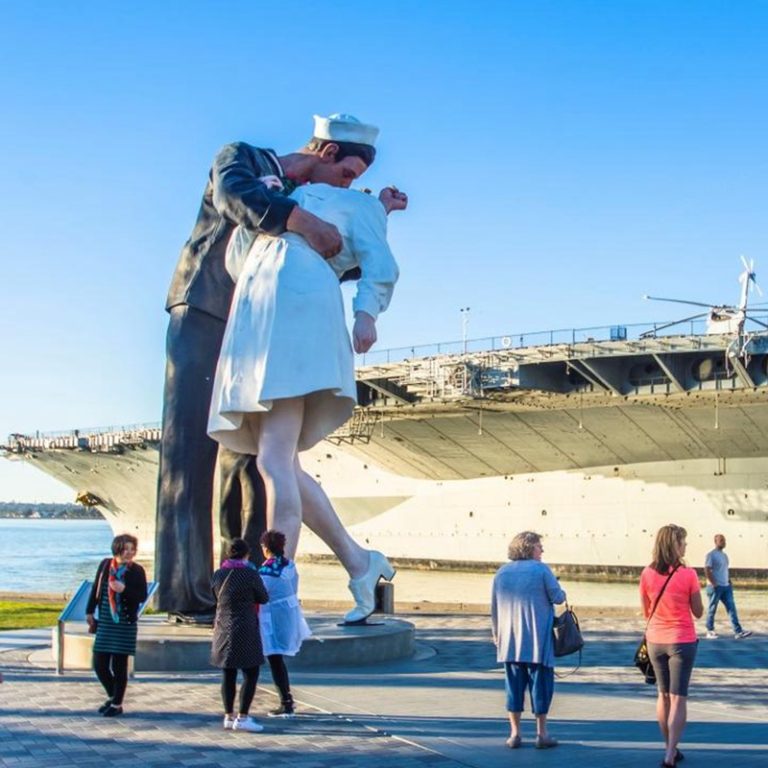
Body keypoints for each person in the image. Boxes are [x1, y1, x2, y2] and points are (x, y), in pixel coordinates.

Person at [156, 112, 397, 618]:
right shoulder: (244, 157)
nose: (350, 186)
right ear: (328, 154)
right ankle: (185, 589)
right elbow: (236, 198)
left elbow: (339, 254)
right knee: (192, 454)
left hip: (266, 324)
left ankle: (243, 584)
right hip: (207, 308)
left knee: (258, 464)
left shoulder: (317, 202)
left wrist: (372, 216)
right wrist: (304, 218)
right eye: (349, 175)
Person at [491, 531, 566, 750]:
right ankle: (541, 734)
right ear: (529, 548)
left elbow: (494, 608)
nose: (542, 550)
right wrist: (562, 591)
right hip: (537, 641)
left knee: (513, 687)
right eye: (539, 547)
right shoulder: (541, 570)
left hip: (510, 641)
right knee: (540, 687)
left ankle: (514, 734)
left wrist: (497, 636)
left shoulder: (501, 572)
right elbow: (557, 597)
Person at [639, 524, 703, 768]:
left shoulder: (647, 573)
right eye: (683, 542)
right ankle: (669, 754)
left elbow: (646, 611)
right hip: (682, 640)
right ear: (674, 545)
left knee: (663, 696)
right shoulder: (689, 574)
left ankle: (669, 748)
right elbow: (698, 613)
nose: (686, 546)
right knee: (678, 698)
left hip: (655, 640)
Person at [85, 534, 148, 717]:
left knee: (119, 666)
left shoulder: (137, 571)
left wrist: (124, 590)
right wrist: (90, 611)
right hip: (106, 620)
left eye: (132, 549)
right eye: (126, 549)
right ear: (117, 549)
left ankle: (117, 703)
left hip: (125, 623)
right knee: (99, 664)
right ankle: (114, 696)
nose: (129, 553)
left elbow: (141, 596)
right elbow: (96, 589)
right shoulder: (106, 565)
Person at [211, 537, 269, 733]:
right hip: (245, 626)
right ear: (246, 554)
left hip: (223, 627)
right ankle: (243, 717)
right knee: (251, 672)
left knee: (228, 672)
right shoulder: (250, 574)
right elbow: (263, 597)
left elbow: (214, 596)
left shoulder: (219, 574)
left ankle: (228, 716)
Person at [258, 529, 312, 717]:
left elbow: (261, 595)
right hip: (290, 614)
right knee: (277, 658)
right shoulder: (290, 566)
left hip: (272, 617)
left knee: (274, 658)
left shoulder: (266, 571)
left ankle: (286, 701)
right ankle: (286, 699)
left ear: (265, 548)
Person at [704, 533, 752, 639]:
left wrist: (729, 581)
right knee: (712, 609)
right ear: (715, 542)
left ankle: (738, 632)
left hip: (726, 587)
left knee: (731, 609)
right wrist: (714, 583)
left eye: (724, 540)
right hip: (715, 587)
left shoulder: (724, 556)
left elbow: (724, 570)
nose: (723, 542)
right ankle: (709, 630)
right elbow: (707, 569)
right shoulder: (711, 555)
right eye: (721, 540)